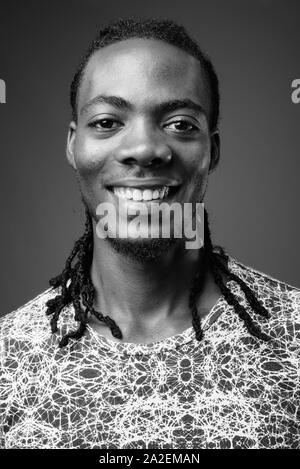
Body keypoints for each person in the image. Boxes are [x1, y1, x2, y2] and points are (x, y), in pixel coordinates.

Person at [0, 17, 299, 450]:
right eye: (106, 121)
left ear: (211, 151)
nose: (143, 148)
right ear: (73, 145)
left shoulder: (291, 341)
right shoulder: (7, 363)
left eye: (180, 124)